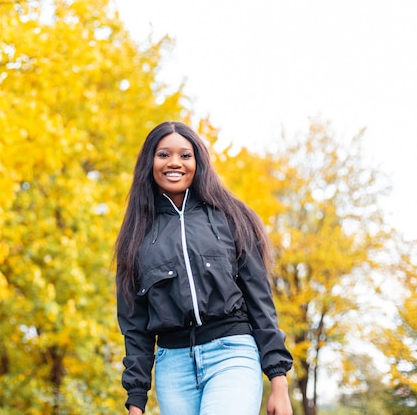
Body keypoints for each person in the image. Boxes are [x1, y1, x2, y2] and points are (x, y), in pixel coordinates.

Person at [115, 121, 294, 415]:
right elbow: (134, 325)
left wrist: (278, 379)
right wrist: (136, 400)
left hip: (232, 353)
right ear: (149, 162)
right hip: (173, 366)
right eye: (163, 155)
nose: (174, 162)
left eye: (185, 155)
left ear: (198, 162)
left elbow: (261, 301)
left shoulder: (233, 217)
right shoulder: (135, 235)